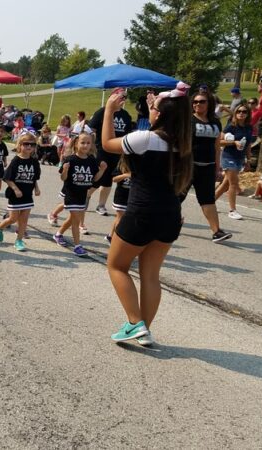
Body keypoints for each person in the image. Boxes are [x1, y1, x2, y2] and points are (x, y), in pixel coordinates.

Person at [101, 82, 193, 345]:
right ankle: (144, 329)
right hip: (170, 215)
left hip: (142, 212)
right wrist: (159, 102)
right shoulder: (184, 144)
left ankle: (134, 322)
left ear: (161, 114)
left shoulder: (144, 139)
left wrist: (109, 110)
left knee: (116, 266)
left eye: (153, 107)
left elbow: (107, 144)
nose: (149, 109)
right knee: (151, 275)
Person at [184, 91, 232, 242]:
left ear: (209, 103)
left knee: (207, 200)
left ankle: (217, 232)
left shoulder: (215, 122)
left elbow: (217, 147)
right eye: (195, 101)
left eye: (202, 101)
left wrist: (218, 167)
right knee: (175, 198)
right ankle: (168, 222)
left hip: (208, 167)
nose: (197, 104)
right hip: (188, 166)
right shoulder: (188, 120)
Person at [52, 133, 107, 256]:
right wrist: (65, 170)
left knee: (72, 219)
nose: (85, 145)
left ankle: (58, 234)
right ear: (76, 144)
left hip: (83, 195)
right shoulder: (70, 159)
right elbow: (63, 178)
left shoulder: (91, 160)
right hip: (71, 194)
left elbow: (95, 178)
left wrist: (102, 170)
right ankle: (77, 246)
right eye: (83, 143)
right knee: (76, 220)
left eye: (88, 143)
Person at [0, 132, 41, 251]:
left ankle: (19, 241)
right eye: (26, 144)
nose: (29, 146)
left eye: (32, 144)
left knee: (24, 220)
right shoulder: (16, 160)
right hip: (15, 195)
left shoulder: (34, 161)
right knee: (13, 218)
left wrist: (37, 188)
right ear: (20, 145)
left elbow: (34, 177)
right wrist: (15, 189)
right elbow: (7, 178)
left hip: (27, 194)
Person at [88, 94, 133, 216]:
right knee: (98, 177)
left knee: (108, 179)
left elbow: (128, 134)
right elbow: (91, 130)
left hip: (118, 152)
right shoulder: (102, 112)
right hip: (102, 150)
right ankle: (86, 195)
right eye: (119, 97)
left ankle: (101, 205)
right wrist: (90, 147)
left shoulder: (126, 115)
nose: (121, 100)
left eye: (123, 98)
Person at [215, 105, 254, 219]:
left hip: (240, 158)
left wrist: (248, 160)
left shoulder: (249, 127)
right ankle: (232, 210)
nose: (241, 113)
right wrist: (234, 142)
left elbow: (248, 145)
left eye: (244, 111)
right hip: (228, 157)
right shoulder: (231, 126)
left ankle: (210, 202)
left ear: (248, 114)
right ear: (235, 113)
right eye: (238, 111)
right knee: (233, 183)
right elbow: (219, 142)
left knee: (226, 184)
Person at [105, 160, 131, 245]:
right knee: (120, 218)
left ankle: (110, 236)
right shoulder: (121, 165)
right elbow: (114, 179)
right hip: (121, 197)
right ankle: (113, 238)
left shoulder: (139, 166)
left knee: (123, 218)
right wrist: (125, 175)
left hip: (133, 197)